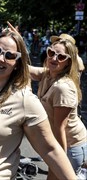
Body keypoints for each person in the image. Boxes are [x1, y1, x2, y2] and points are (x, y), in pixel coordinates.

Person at [0, 30, 77, 180]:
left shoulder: (24, 100)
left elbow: (50, 150)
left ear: (18, 63)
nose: (0, 58)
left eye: (10, 55)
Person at [29, 33, 86, 178]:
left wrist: (59, 160)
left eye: (61, 57)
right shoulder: (49, 74)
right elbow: (29, 69)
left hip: (69, 146)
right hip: (63, 145)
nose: (54, 58)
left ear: (68, 62)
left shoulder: (63, 88)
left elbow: (59, 128)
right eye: (51, 53)